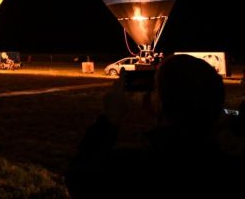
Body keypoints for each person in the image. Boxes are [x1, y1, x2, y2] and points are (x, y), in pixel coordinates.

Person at [66, 54, 244, 198]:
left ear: (160, 104)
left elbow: (78, 179)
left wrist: (109, 119)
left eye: (156, 88)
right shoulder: (230, 169)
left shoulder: (134, 169)